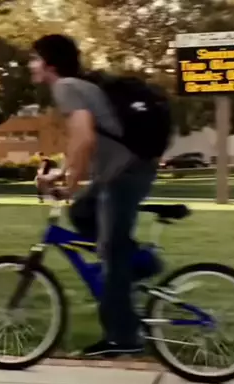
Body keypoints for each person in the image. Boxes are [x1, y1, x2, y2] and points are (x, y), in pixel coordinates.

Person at [30, 34, 159, 358]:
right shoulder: (76, 86)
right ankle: (137, 263)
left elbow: (85, 139)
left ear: (50, 64)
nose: (31, 65)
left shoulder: (65, 87)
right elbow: (79, 142)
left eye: (35, 59)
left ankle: (123, 336)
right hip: (119, 171)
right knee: (81, 213)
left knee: (111, 253)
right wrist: (61, 174)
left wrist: (70, 185)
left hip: (126, 172)